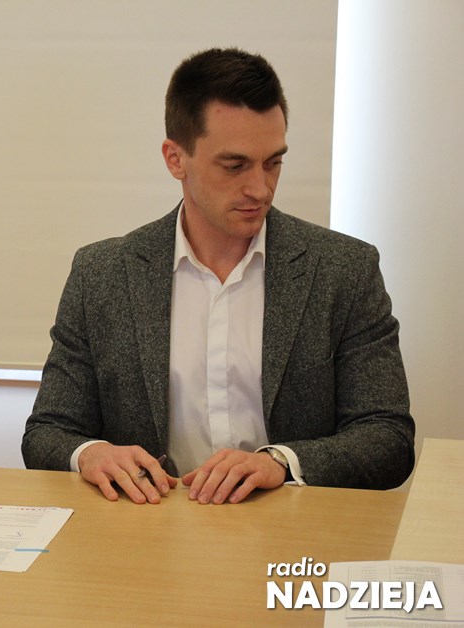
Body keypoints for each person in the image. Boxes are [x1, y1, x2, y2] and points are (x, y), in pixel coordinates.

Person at [21, 47, 415, 505]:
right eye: (235, 166)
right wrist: (90, 453)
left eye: (273, 162)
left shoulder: (343, 270)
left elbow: (388, 437)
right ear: (175, 159)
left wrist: (282, 462)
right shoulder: (102, 275)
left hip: (291, 530)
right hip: (148, 530)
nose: (260, 188)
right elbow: (48, 432)